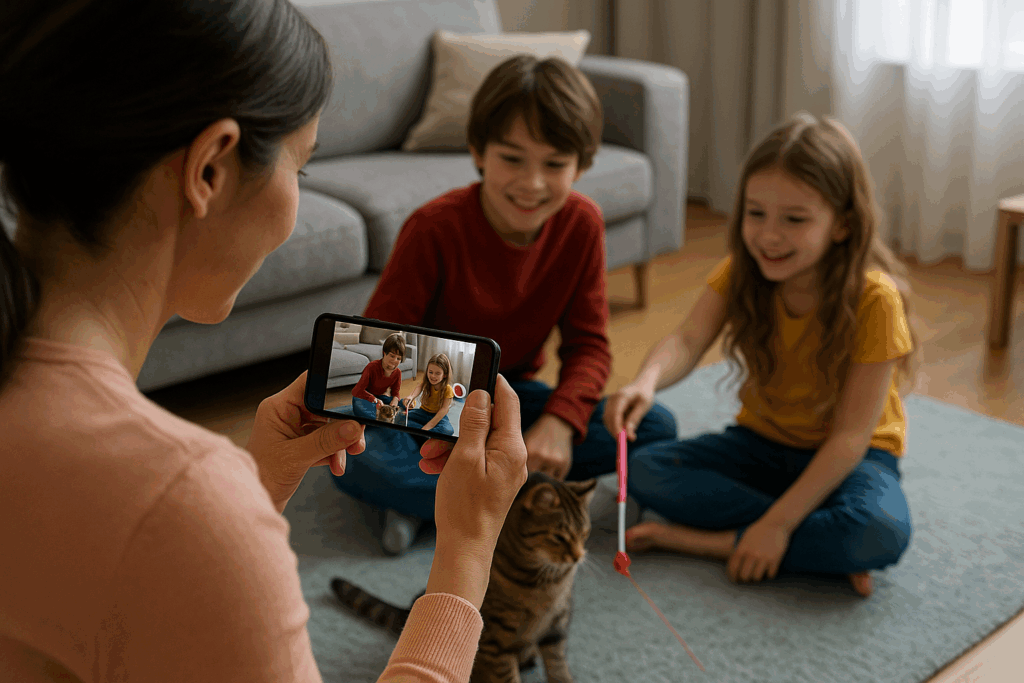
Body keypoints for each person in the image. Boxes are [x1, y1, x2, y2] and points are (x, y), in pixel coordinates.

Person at [0, 2, 527, 681]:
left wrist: (254, 487)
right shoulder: (180, 498)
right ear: (210, 169)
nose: (297, 200)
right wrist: (466, 554)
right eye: (299, 168)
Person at [332, 54, 678, 555]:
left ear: (581, 165)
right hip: (425, 400)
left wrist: (557, 425)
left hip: (508, 399)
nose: (532, 183)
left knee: (654, 427)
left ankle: (438, 502)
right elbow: (378, 351)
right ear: (478, 151)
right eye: (512, 159)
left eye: (555, 164)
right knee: (357, 448)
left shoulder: (582, 225)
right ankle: (500, 494)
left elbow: (590, 348)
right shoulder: (433, 227)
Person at [604, 113, 918, 598]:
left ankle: (715, 542)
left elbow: (850, 439)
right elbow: (687, 341)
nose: (769, 236)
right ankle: (813, 538)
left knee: (878, 531)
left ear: (842, 225)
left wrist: (775, 525)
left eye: (794, 219)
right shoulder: (742, 271)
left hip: (852, 459)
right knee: (647, 469)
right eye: (756, 213)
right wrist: (645, 381)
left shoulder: (875, 298)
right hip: (761, 443)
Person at [351, 332, 406, 419]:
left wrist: (395, 399)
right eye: (392, 356)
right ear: (384, 353)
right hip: (364, 398)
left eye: (398, 358)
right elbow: (356, 391)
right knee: (360, 408)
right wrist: (373, 399)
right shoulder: (371, 367)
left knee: (403, 404)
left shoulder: (398, 372)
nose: (395, 360)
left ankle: (382, 415)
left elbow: (395, 392)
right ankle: (382, 416)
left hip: (380, 398)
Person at [403, 353, 456, 435]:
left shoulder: (448, 389)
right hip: (423, 412)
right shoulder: (426, 382)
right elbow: (419, 387)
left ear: (445, 375)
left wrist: (429, 426)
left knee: (448, 430)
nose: (433, 376)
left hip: (438, 416)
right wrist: (411, 397)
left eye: (437, 373)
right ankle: (424, 434)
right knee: (402, 417)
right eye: (430, 372)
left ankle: (419, 432)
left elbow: (444, 410)